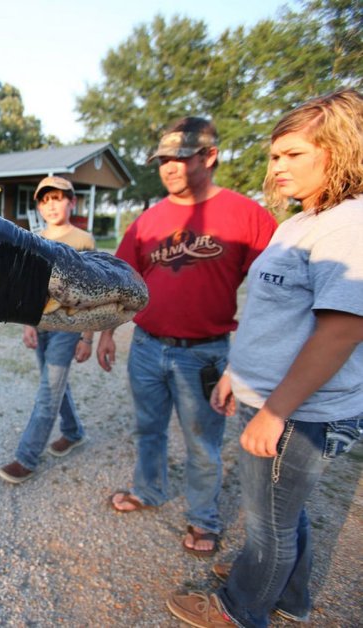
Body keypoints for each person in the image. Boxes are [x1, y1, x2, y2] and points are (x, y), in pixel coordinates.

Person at [166, 89, 363, 627]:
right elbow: (272, 316)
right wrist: (237, 372)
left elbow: (342, 330)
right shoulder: (301, 220)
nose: (277, 167)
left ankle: (241, 610)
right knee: (283, 515)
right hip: (271, 395)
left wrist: (275, 410)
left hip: (301, 412)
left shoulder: (348, 226)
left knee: (268, 524)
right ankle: (291, 596)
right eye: (275, 155)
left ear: (342, 150)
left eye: (295, 154)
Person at [97, 117, 278, 557]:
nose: (170, 167)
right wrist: (104, 333)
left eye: (180, 157)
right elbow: (121, 281)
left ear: (209, 156)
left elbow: (274, 295)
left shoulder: (248, 216)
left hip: (206, 354)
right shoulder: (147, 222)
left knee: (203, 444)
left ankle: (204, 520)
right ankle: (149, 489)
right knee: (149, 429)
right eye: (163, 160)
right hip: (146, 346)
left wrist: (240, 366)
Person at [0, 176, 95, 484]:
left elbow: (93, 293)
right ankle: (74, 432)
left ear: (72, 201)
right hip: (41, 326)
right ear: (39, 206)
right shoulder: (34, 238)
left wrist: (87, 337)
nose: (51, 205)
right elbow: (30, 289)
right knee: (53, 385)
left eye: (58, 198)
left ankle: (27, 457)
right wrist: (28, 325)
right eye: (45, 200)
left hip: (69, 328)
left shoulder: (83, 241)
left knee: (47, 395)